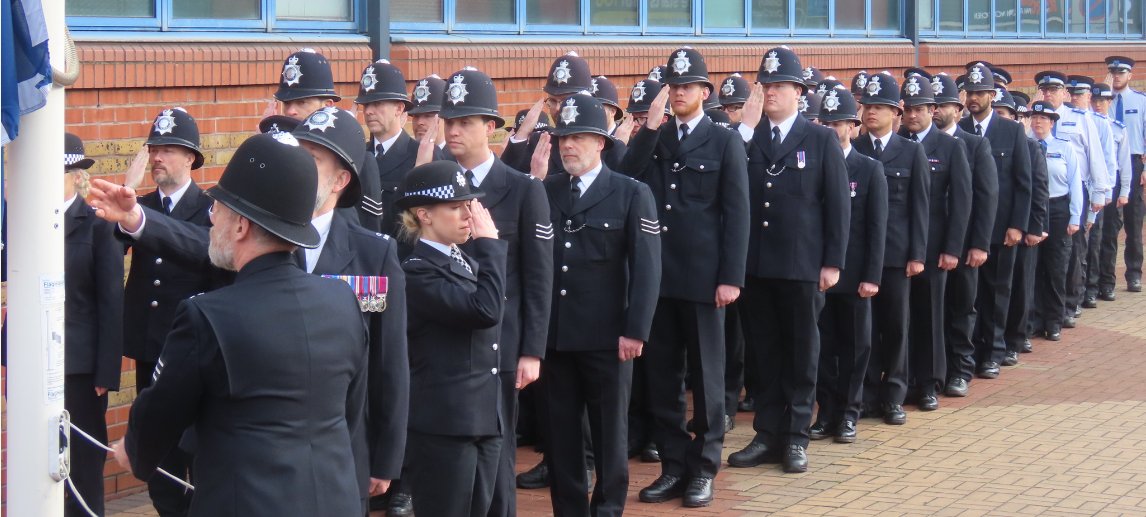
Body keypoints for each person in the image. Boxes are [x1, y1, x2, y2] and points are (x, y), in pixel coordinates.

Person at [112, 132, 369, 517]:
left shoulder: (208, 316)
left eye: (219, 209)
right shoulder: (342, 302)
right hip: (334, 500)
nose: (211, 218)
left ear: (241, 227)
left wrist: (134, 450)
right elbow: (350, 412)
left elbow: (160, 414)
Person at [621, 47, 749, 508]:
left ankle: (704, 467)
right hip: (659, 280)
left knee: (708, 379)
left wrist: (730, 276)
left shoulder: (724, 140)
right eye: (672, 87)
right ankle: (674, 466)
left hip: (703, 279)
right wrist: (649, 128)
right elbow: (625, 177)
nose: (678, 94)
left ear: (703, 92)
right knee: (662, 379)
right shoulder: (654, 137)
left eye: (687, 86)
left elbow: (737, 214)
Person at [436, 66, 554, 517]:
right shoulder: (435, 185)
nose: (454, 130)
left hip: (501, 345)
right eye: (450, 121)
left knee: (498, 456)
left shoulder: (522, 190)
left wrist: (532, 351)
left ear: (490, 127)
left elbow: (539, 277)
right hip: (450, 341)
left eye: (465, 121)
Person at [724, 46, 847, 474]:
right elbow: (730, 189)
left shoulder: (820, 138)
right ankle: (767, 432)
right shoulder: (745, 135)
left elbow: (836, 205)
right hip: (757, 265)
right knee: (764, 352)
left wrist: (832, 261)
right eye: (765, 84)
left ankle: (795, 436)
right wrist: (743, 129)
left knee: (801, 352)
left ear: (799, 91)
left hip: (801, 265)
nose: (770, 92)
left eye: (778, 85)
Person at [539, 92, 661, 517]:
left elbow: (647, 268)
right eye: (562, 138)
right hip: (556, 337)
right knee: (561, 436)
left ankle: (608, 508)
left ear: (602, 143)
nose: (568, 146)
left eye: (579, 138)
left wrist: (636, 330)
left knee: (610, 434)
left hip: (607, 337)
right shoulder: (547, 190)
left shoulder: (630, 193)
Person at [396, 160, 507, 517]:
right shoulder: (418, 272)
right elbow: (484, 310)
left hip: (482, 417)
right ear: (424, 215)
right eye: (455, 207)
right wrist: (490, 246)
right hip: (445, 424)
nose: (467, 215)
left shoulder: (463, 261)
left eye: (467, 205)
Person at [119, 107, 214, 516]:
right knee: (160, 461)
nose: (158, 157)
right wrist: (126, 190)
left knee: (197, 450)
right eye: (155, 148)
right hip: (150, 346)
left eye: (170, 149)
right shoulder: (137, 205)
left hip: (193, 352)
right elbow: (108, 252)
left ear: (191, 157)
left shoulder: (210, 209)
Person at [809, 86, 887, 445]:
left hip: (855, 276)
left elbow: (876, 227)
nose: (832, 129)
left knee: (856, 348)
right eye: (826, 122)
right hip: (819, 275)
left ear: (853, 127)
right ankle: (825, 412)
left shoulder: (869, 169)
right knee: (822, 348)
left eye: (839, 123)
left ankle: (849, 414)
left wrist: (871, 276)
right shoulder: (811, 164)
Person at [853, 71, 929, 426]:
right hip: (861, 256)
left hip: (897, 255)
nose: (871, 113)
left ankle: (894, 395)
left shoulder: (911, 152)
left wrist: (917, 254)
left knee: (897, 327)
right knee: (864, 331)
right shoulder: (854, 150)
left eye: (880, 107)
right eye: (867, 106)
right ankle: (867, 394)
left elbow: (919, 207)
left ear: (897, 112)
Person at [898, 71, 972, 410]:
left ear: (933, 110)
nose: (913, 115)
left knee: (929, 317)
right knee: (900, 320)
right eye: (908, 108)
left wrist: (952, 248)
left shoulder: (949, 147)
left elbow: (960, 202)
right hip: (898, 248)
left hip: (932, 249)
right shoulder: (895, 141)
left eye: (920, 108)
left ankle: (928, 383)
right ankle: (900, 381)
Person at [62, 132, 125, 517]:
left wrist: (106, 370)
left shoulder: (97, 226)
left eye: (63, 170)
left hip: (82, 369)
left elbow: (110, 301)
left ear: (77, 176)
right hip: (36, 364)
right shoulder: (23, 221)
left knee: (82, 465)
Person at [961, 62, 1031, 380]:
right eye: (969, 92)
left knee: (997, 290)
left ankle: (993, 351)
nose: (973, 98)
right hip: (966, 229)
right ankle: (970, 350)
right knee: (968, 295)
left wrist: (1018, 224)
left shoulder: (1011, 130)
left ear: (992, 94)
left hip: (1001, 228)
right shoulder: (958, 129)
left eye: (979, 92)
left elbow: (1023, 182)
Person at [273, 48, 384, 231]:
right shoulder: (277, 154)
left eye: (302, 102)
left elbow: (368, 235)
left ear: (327, 106)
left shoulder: (359, 160)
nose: (291, 111)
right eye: (286, 103)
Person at [1035, 70, 1109, 329]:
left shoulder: (1079, 118)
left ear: (1065, 93)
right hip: (1043, 194)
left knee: (1073, 252)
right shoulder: (1036, 123)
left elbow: (1094, 156)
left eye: (1054, 90)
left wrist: (1100, 193)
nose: (1049, 94)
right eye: (1045, 90)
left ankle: (1069, 304)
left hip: (1076, 189)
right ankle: (1047, 308)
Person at [994, 85, 1049, 362]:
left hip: (1021, 226)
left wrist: (1033, 227)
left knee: (1019, 285)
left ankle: (1015, 338)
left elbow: (1037, 188)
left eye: (1002, 113)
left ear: (1015, 117)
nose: (997, 117)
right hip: (992, 228)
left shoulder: (1029, 146)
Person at [1028, 101, 1084, 342]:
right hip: (1034, 209)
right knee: (1033, 267)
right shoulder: (1027, 146)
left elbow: (1075, 183)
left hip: (1058, 208)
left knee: (1056, 266)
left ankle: (1054, 320)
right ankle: (1034, 319)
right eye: (1035, 117)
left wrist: (1075, 216)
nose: (1038, 122)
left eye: (1043, 118)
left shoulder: (1064, 147)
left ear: (1052, 123)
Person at [1105, 56, 1146, 293]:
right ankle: (1106, 278)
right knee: (1110, 224)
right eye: (1114, 73)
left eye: (1121, 73)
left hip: (1134, 161)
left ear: (1130, 75)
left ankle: (1134, 275)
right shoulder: (1103, 101)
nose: (1117, 77)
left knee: (1133, 221)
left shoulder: (1140, 101)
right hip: (1111, 164)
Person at [1092, 81, 1134, 303]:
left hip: (1113, 184)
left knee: (1109, 237)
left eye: (1102, 101)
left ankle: (1107, 284)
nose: (1098, 105)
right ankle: (1090, 283)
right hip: (1092, 184)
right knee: (1092, 238)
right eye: (1095, 100)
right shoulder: (1087, 124)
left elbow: (1124, 163)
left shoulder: (1118, 128)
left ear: (1109, 102)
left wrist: (1125, 191)